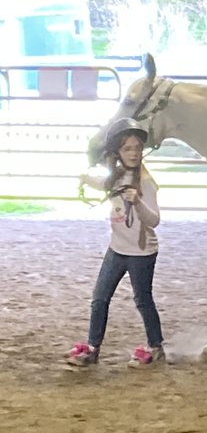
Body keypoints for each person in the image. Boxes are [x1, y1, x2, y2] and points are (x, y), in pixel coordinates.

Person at [65, 118, 166, 368]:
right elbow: (106, 185)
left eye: (137, 148)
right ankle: (92, 348)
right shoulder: (119, 175)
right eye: (127, 149)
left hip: (141, 253)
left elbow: (154, 220)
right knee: (100, 297)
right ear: (118, 152)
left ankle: (156, 347)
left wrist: (138, 202)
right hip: (117, 248)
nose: (133, 153)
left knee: (143, 299)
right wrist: (85, 179)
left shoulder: (146, 183)